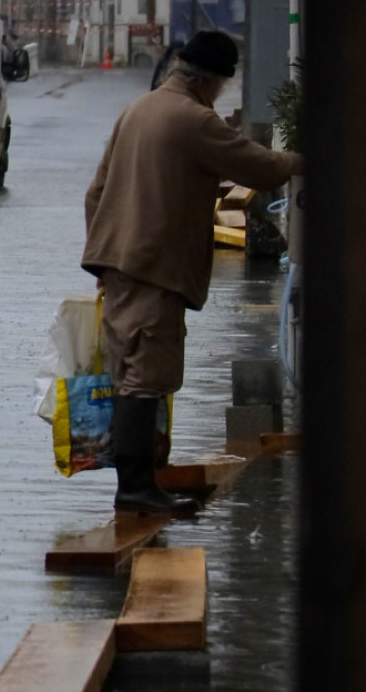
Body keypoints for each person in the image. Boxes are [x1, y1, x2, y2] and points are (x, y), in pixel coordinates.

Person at [81, 30, 304, 515]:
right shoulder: (193, 120)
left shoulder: (138, 110)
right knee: (146, 376)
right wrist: (310, 159)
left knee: (129, 373)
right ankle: (136, 490)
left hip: (121, 262)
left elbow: (96, 192)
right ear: (214, 81)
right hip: (155, 265)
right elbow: (261, 168)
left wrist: (101, 257)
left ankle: (141, 484)